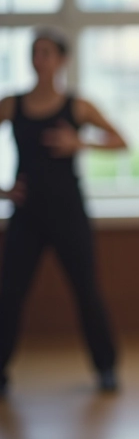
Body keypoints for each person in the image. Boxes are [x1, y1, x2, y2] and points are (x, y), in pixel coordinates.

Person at [0, 28, 126, 396]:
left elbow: (121, 140)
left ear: (62, 60)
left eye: (47, 53)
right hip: (27, 214)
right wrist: (4, 191)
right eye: (35, 53)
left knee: (86, 290)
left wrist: (79, 142)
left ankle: (106, 368)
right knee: (10, 293)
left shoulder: (77, 106)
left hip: (68, 212)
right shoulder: (12, 104)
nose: (40, 60)